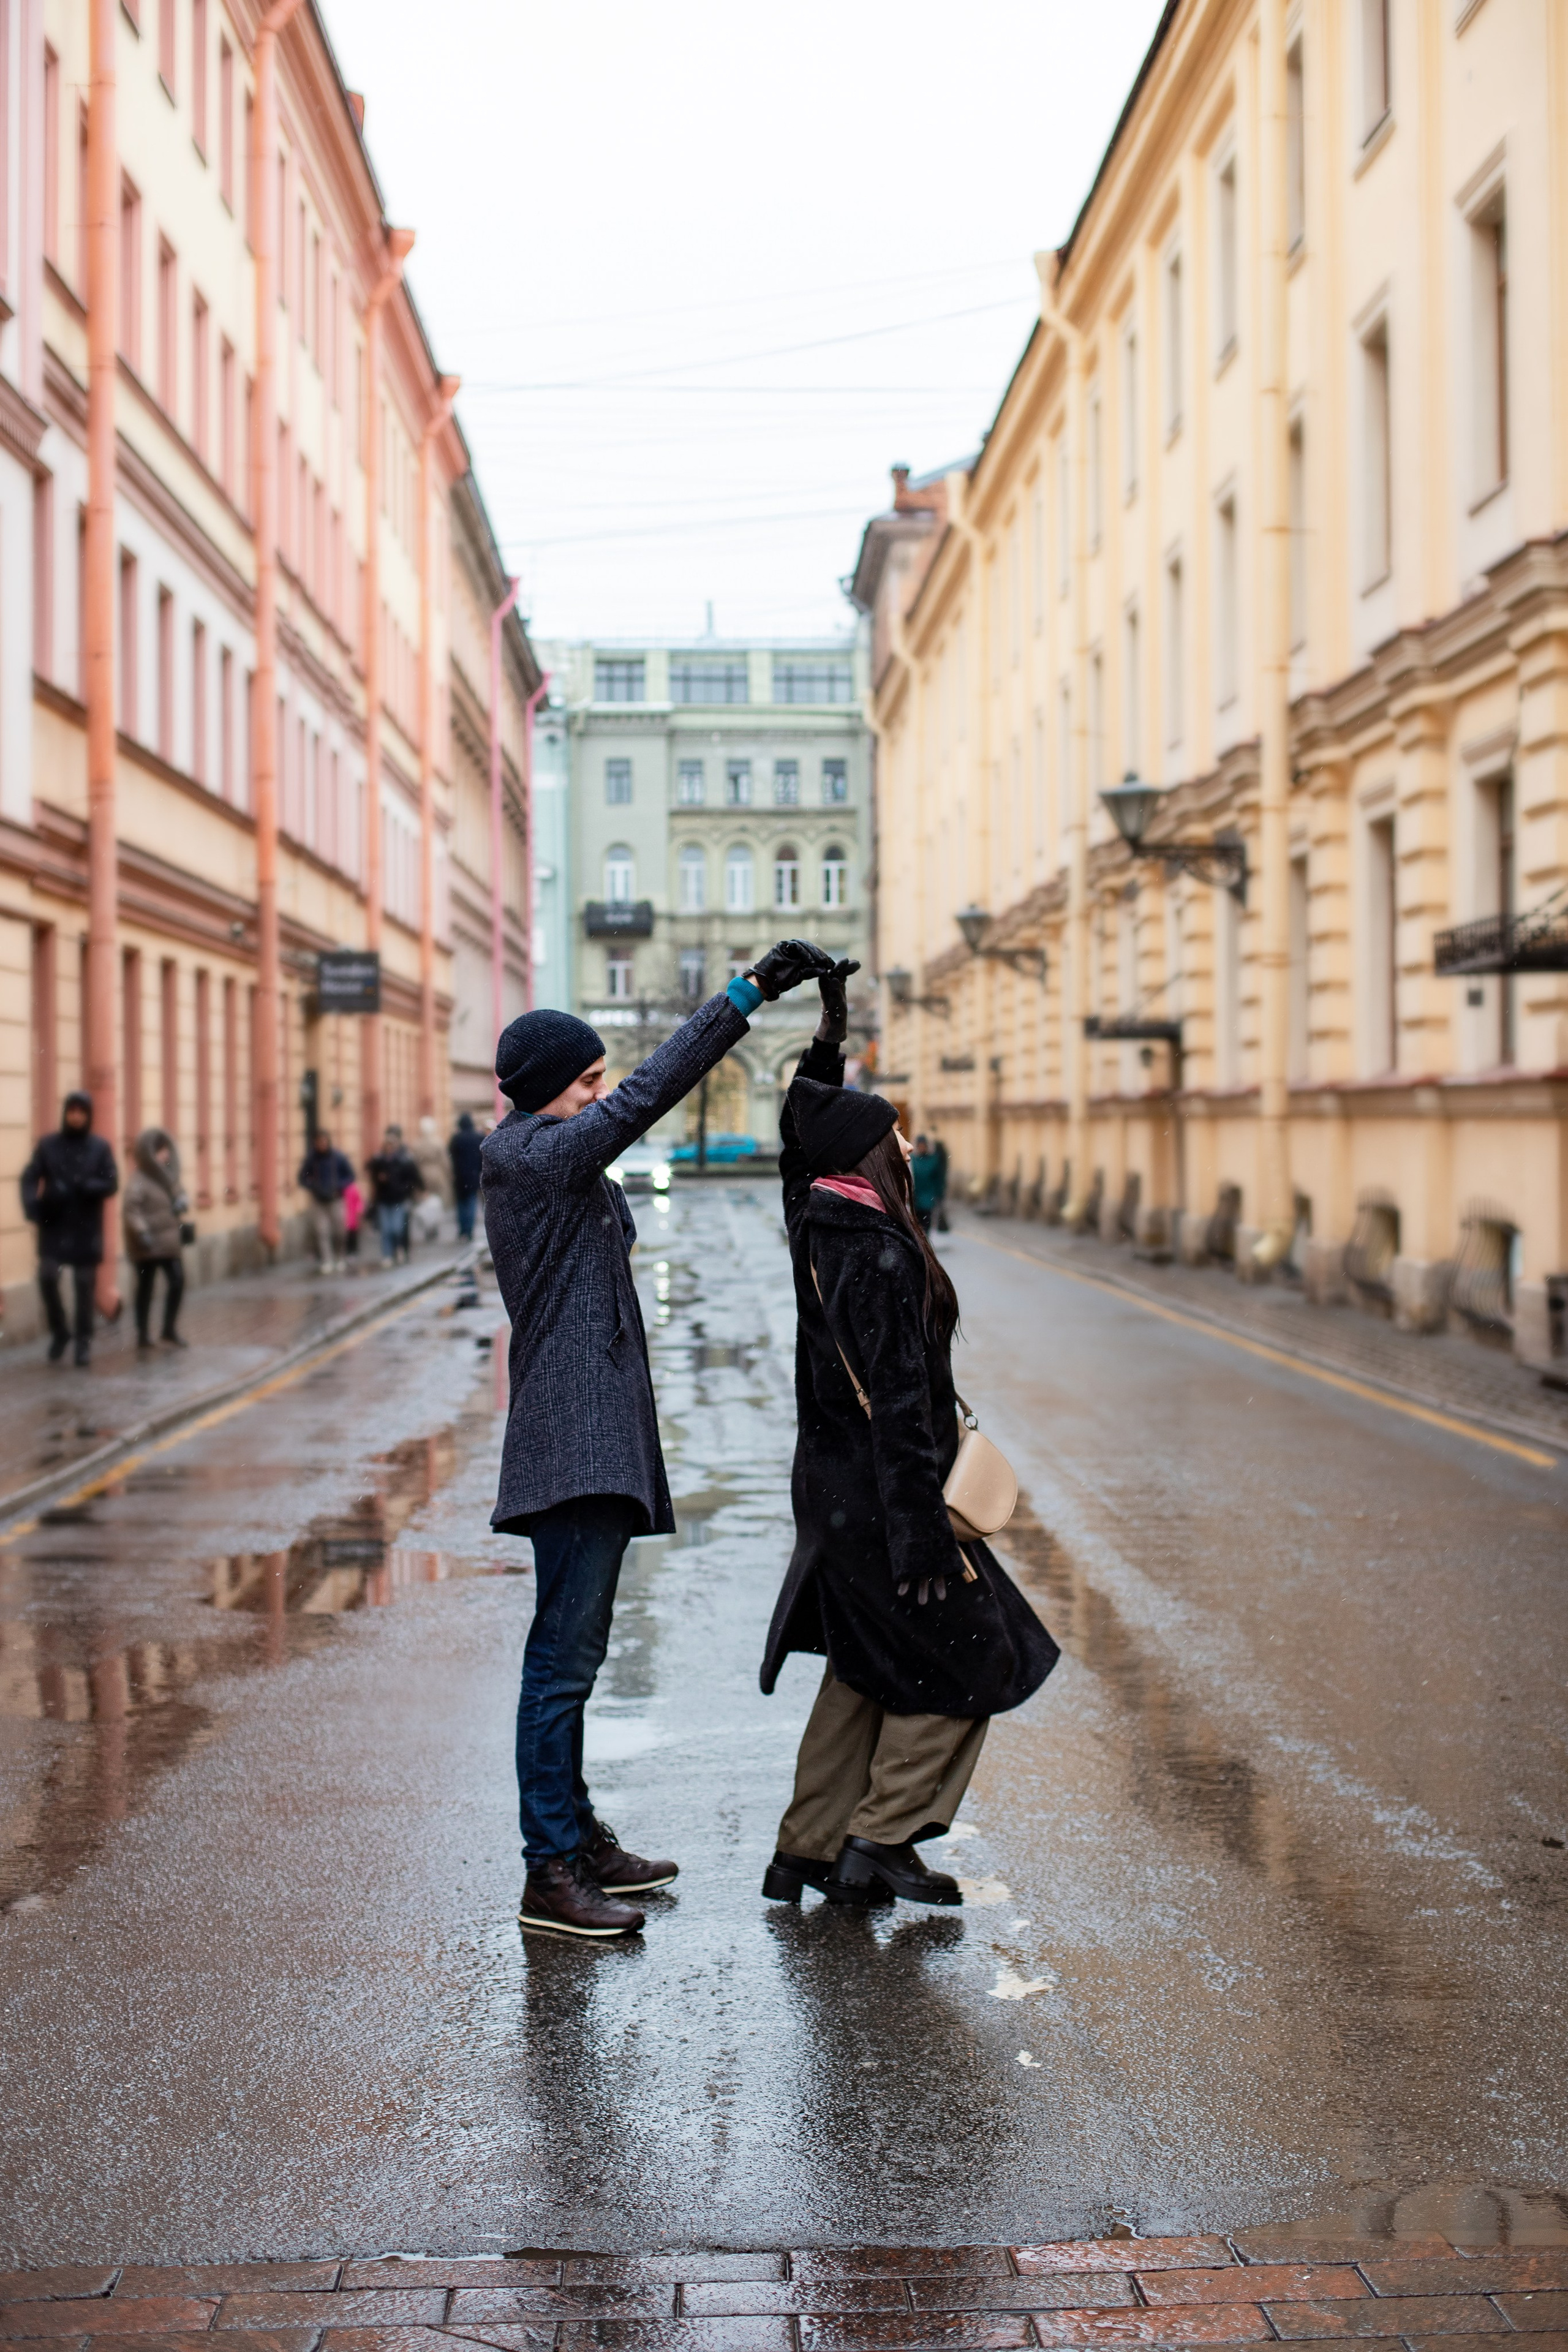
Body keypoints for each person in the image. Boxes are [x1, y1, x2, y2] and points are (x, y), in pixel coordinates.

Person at [483, 938, 835, 1942]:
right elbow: (643, 1099)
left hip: (589, 1439)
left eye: (598, 1078)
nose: (599, 1096)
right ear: (550, 1090)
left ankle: (574, 1839)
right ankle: (550, 1870)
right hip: (573, 1444)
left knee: (574, 1657)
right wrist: (748, 994)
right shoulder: (536, 1156)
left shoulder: (544, 1156)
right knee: (560, 1662)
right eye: (585, 1081)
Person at [760, 960, 1058, 1909]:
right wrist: (923, 1533)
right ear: (875, 1158)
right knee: (980, 1654)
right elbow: (898, 1405)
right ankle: (879, 1840)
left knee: (866, 1666)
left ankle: (805, 1849)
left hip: (835, 1497)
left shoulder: (815, 1220)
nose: (911, 1144)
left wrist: (829, 1027)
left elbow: (798, 1133)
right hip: (890, 1504)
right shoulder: (878, 1250)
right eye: (900, 1135)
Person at [20, 1091, 119, 1366]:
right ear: (65, 1113)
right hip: (54, 1224)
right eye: (71, 1111)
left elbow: (112, 1182)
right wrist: (33, 1206)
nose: (76, 1116)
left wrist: (91, 1187)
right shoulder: (49, 1145)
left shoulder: (100, 1148)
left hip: (86, 1227)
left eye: (81, 1111)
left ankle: (83, 1342)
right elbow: (30, 1177)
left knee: (84, 1285)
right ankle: (60, 1332)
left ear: (88, 1115)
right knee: (48, 1277)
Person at [123, 1126, 190, 1348]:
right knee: (145, 1288)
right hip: (147, 1244)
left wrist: (182, 1201)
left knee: (178, 1282)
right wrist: (141, 1232)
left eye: (166, 1150)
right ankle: (142, 1333)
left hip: (169, 1242)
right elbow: (131, 1209)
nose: (166, 1155)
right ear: (149, 1152)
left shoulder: (169, 1175)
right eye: (160, 1151)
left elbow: (179, 1192)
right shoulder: (139, 1180)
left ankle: (169, 1329)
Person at [298, 1131, 355, 1273]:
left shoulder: (338, 1157)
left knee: (340, 1231)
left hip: (336, 1199)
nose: (322, 1145)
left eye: (324, 1141)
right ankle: (327, 1260)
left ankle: (340, 1257)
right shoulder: (312, 1159)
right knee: (322, 1232)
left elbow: (350, 1176)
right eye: (319, 1142)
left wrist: (339, 1186)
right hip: (319, 1201)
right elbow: (302, 1178)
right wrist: (313, 1187)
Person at [366, 1125, 422, 1264]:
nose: (389, 1148)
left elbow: (413, 1177)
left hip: (400, 1199)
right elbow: (370, 1171)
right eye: (387, 1145)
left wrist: (408, 1189)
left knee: (398, 1228)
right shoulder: (379, 1160)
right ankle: (388, 1255)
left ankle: (400, 1250)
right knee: (386, 1230)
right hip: (384, 1199)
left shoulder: (404, 1159)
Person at [412, 1115, 451, 1243]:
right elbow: (445, 1161)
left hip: (422, 1175)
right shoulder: (438, 1143)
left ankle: (428, 1227)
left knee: (425, 1203)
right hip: (437, 1175)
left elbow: (413, 1162)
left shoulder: (417, 1145)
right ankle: (434, 1226)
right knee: (437, 1203)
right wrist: (448, 1174)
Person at [448, 1112, 483, 1243]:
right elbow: (482, 1156)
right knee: (471, 1203)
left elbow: (451, 1156)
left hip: (459, 1176)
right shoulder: (478, 1137)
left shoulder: (456, 1138)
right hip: (474, 1176)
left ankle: (463, 1230)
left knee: (461, 1204)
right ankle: (469, 1230)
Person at [910, 1133, 942, 1234]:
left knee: (926, 1224)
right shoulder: (913, 1160)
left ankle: (924, 1244)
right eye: (920, 1145)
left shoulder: (933, 1160)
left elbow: (938, 1179)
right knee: (916, 1225)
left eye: (924, 1145)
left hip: (928, 1197)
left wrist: (939, 1195)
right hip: (915, 1197)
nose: (922, 1148)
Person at [342, 1176, 364, 1272]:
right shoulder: (341, 1190)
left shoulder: (353, 1189)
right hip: (346, 1217)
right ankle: (349, 1253)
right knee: (347, 1237)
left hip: (352, 1217)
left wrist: (359, 1210)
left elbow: (359, 1201)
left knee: (352, 1236)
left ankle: (353, 1252)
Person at [931, 1134, 951, 1232]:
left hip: (936, 1188)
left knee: (936, 1208)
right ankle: (939, 1223)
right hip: (937, 1188)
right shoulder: (938, 1159)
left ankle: (939, 1224)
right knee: (938, 1207)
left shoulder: (935, 1159)